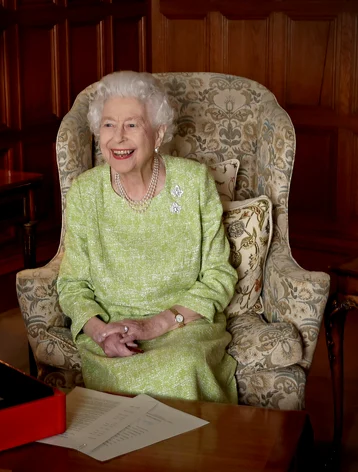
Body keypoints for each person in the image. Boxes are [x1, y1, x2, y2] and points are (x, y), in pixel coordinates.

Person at [56, 71, 238, 403]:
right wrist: (100, 333)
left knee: (183, 368)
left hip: (183, 327)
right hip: (111, 332)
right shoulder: (85, 192)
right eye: (109, 125)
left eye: (132, 125)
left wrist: (154, 326)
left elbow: (218, 275)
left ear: (158, 134)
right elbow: (72, 284)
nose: (118, 138)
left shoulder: (195, 182)